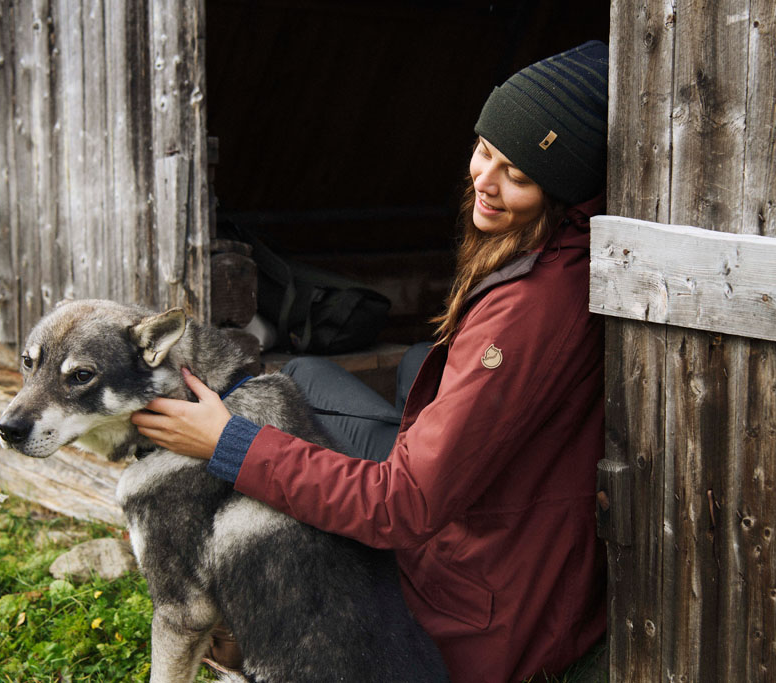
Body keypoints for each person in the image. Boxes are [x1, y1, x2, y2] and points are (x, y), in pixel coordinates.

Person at [132, 39, 610, 683]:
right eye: (484, 150)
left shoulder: (532, 310)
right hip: (478, 521)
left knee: (286, 402)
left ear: (563, 192)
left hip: (470, 602)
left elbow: (400, 505)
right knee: (340, 369)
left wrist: (228, 442)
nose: (485, 181)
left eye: (518, 176)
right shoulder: (557, 251)